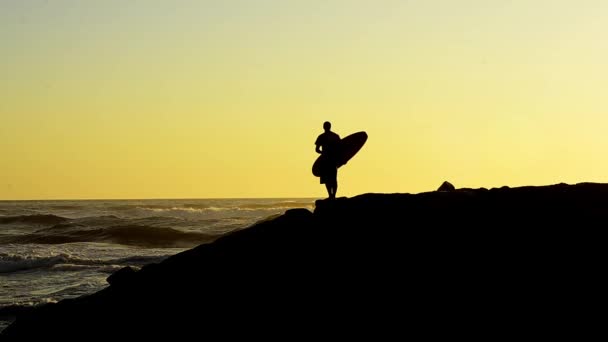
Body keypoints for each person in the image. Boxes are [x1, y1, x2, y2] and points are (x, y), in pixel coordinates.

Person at [315, 121, 341, 199]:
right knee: (333, 179)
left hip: (326, 160)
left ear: (324, 127)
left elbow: (317, 149)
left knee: (328, 179)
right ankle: (333, 195)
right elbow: (341, 150)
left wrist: (323, 152)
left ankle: (331, 195)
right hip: (332, 160)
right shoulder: (335, 136)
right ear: (330, 127)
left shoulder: (321, 136)